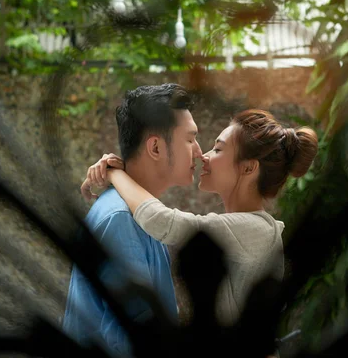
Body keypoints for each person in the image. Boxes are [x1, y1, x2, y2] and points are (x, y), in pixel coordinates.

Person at [82, 109, 319, 326]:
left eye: (218, 149)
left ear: (248, 168)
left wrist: (115, 174)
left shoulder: (256, 231)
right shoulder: (251, 228)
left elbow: (161, 221)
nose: (204, 156)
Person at [63, 83, 203, 357]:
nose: (199, 151)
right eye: (190, 139)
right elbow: (134, 342)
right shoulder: (122, 219)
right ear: (155, 147)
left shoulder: (140, 214)